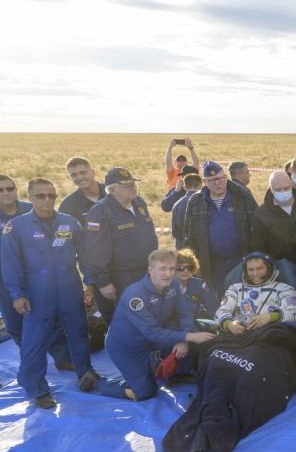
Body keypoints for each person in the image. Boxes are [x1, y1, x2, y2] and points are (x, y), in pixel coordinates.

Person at [1, 178, 100, 408]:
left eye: (51, 195)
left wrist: (90, 283)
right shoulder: (16, 227)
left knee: (78, 332)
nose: (47, 200)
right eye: (40, 196)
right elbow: (10, 266)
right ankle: (36, 387)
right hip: (37, 293)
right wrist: (17, 295)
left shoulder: (70, 223)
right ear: (29, 198)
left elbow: (83, 256)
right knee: (34, 340)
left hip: (69, 288)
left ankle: (85, 373)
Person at [85, 249, 215, 401]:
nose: (168, 274)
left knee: (192, 328)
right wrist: (190, 337)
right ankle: (96, 382)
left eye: (172, 268)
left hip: (151, 340)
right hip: (127, 346)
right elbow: (152, 332)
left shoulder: (174, 284)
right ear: (150, 270)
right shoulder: (135, 295)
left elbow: (184, 313)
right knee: (145, 392)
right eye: (163, 269)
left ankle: (179, 373)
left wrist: (183, 339)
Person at [84, 167, 159, 324]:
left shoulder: (139, 202)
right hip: (122, 277)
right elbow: (95, 251)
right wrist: (103, 282)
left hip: (147, 271)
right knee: (130, 318)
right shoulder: (100, 211)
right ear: (112, 190)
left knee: (153, 312)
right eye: (126, 185)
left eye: (133, 183)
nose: (132, 187)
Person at [184, 161, 257, 297]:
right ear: (204, 181)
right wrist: (197, 265)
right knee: (220, 302)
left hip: (241, 262)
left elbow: (257, 228)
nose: (217, 183)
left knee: (246, 300)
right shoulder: (195, 202)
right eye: (212, 180)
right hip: (213, 265)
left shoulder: (242, 196)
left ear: (225, 177)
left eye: (220, 179)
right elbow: (190, 237)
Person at [215, 252, 296, 332]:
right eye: (251, 270)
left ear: (269, 268)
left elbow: (295, 314)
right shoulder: (235, 289)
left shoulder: (284, 288)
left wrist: (270, 317)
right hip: (240, 335)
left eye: (260, 268)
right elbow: (222, 310)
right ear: (245, 271)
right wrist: (229, 324)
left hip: (270, 334)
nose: (255, 273)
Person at [252, 171, 296, 272]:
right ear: (270, 188)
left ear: (291, 184)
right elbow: (260, 247)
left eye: (286, 188)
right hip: (282, 270)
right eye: (278, 189)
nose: (283, 192)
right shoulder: (261, 214)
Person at [59, 157, 106, 227]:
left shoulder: (114, 192)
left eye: (83, 173)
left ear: (93, 172)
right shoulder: (68, 205)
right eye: (74, 175)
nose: (79, 178)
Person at [175, 248, 219, 321]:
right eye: (181, 268)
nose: (186, 271)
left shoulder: (198, 284)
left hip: (194, 320)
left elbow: (213, 307)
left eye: (189, 267)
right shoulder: (166, 286)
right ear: (172, 269)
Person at [169, 173, 202, 250]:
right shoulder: (204, 201)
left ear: (184, 187)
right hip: (201, 246)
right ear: (201, 185)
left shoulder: (177, 204)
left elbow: (175, 231)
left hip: (183, 246)